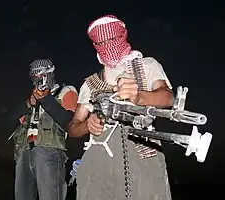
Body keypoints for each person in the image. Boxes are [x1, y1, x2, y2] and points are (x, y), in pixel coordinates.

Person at [68, 15, 174, 200]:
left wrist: (139, 96)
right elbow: (73, 127)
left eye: (112, 39)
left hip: (141, 151)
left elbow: (167, 98)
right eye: (101, 42)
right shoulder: (91, 84)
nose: (107, 45)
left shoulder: (145, 66)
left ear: (123, 35)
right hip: (99, 159)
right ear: (95, 45)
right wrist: (87, 125)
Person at [10, 59, 78, 200]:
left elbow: (70, 122)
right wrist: (29, 103)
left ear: (50, 74)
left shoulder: (66, 91)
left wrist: (47, 100)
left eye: (41, 76)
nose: (38, 80)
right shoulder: (33, 98)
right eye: (34, 77)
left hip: (49, 151)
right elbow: (8, 120)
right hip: (24, 152)